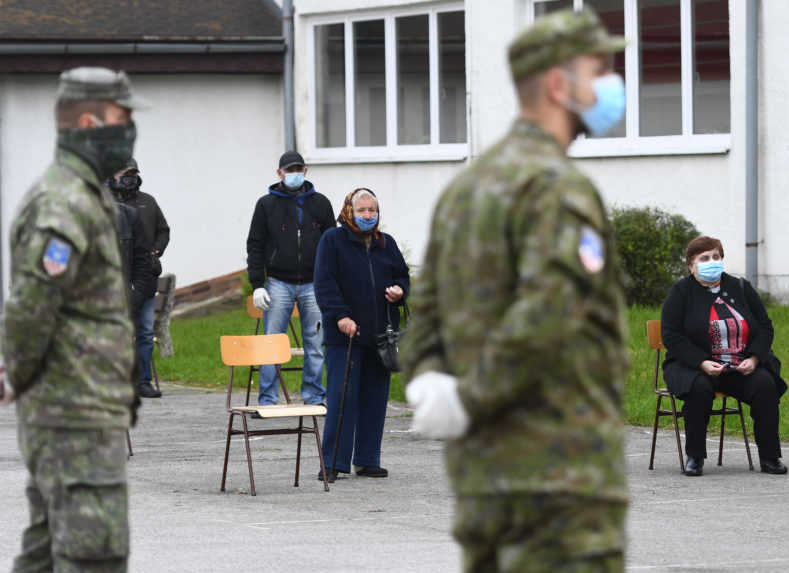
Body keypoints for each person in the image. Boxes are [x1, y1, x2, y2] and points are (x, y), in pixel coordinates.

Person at [402, 8, 630, 572]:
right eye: (598, 70)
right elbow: (552, 311)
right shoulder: (556, 187)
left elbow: (424, 307)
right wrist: (472, 397)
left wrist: (433, 384)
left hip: (484, 476)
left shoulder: (467, 187)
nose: (611, 84)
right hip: (560, 480)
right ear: (559, 85)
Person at [0, 66, 144, 572]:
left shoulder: (85, 195)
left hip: (76, 409)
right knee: (93, 558)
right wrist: (16, 376)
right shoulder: (62, 204)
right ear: (87, 123)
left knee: (46, 553)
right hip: (72, 413)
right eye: (121, 119)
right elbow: (30, 307)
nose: (129, 131)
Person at [661, 236, 788, 477]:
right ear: (691, 265)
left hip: (739, 366)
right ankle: (695, 457)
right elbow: (671, 336)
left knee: (764, 385)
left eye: (716, 257)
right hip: (694, 366)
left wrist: (754, 358)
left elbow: (764, 327)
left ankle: (770, 457)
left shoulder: (740, 288)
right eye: (704, 258)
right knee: (698, 389)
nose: (712, 262)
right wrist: (701, 362)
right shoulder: (680, 292)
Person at [313, 188, 410, 481]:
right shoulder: (333, 240)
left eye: (372, 210)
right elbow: (324, 283)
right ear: (349, 211)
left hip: (381, 337)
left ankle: (367, 459)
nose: (368, 216)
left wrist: (400, 291)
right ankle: (332, 462)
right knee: (342, 397)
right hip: (346, 335)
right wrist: (340, 316)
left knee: (375, 397)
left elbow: (402, 276)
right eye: (362, 210)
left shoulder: (386, 243)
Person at [246, 151, 336, 406]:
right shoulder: (266, 204)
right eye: (289, 170)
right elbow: (255, 244)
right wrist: (257, 285)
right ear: (279, 173)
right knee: (271, 342)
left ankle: (314, 396)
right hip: (278, 283)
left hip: (314, 283)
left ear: (305, 171)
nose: (294, 174)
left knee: (316, 343)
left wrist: (330, 280)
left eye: (298, 169)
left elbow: (332, 245)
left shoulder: (321, 203)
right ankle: (267, 399)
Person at [110, 158, 169, 398]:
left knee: (144, 332)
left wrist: (155, 252)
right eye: (125, 173)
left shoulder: (147, 202)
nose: (130, 177)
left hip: (143, 278)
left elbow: (163, 231)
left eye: (133, 173)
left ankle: (143, 380)